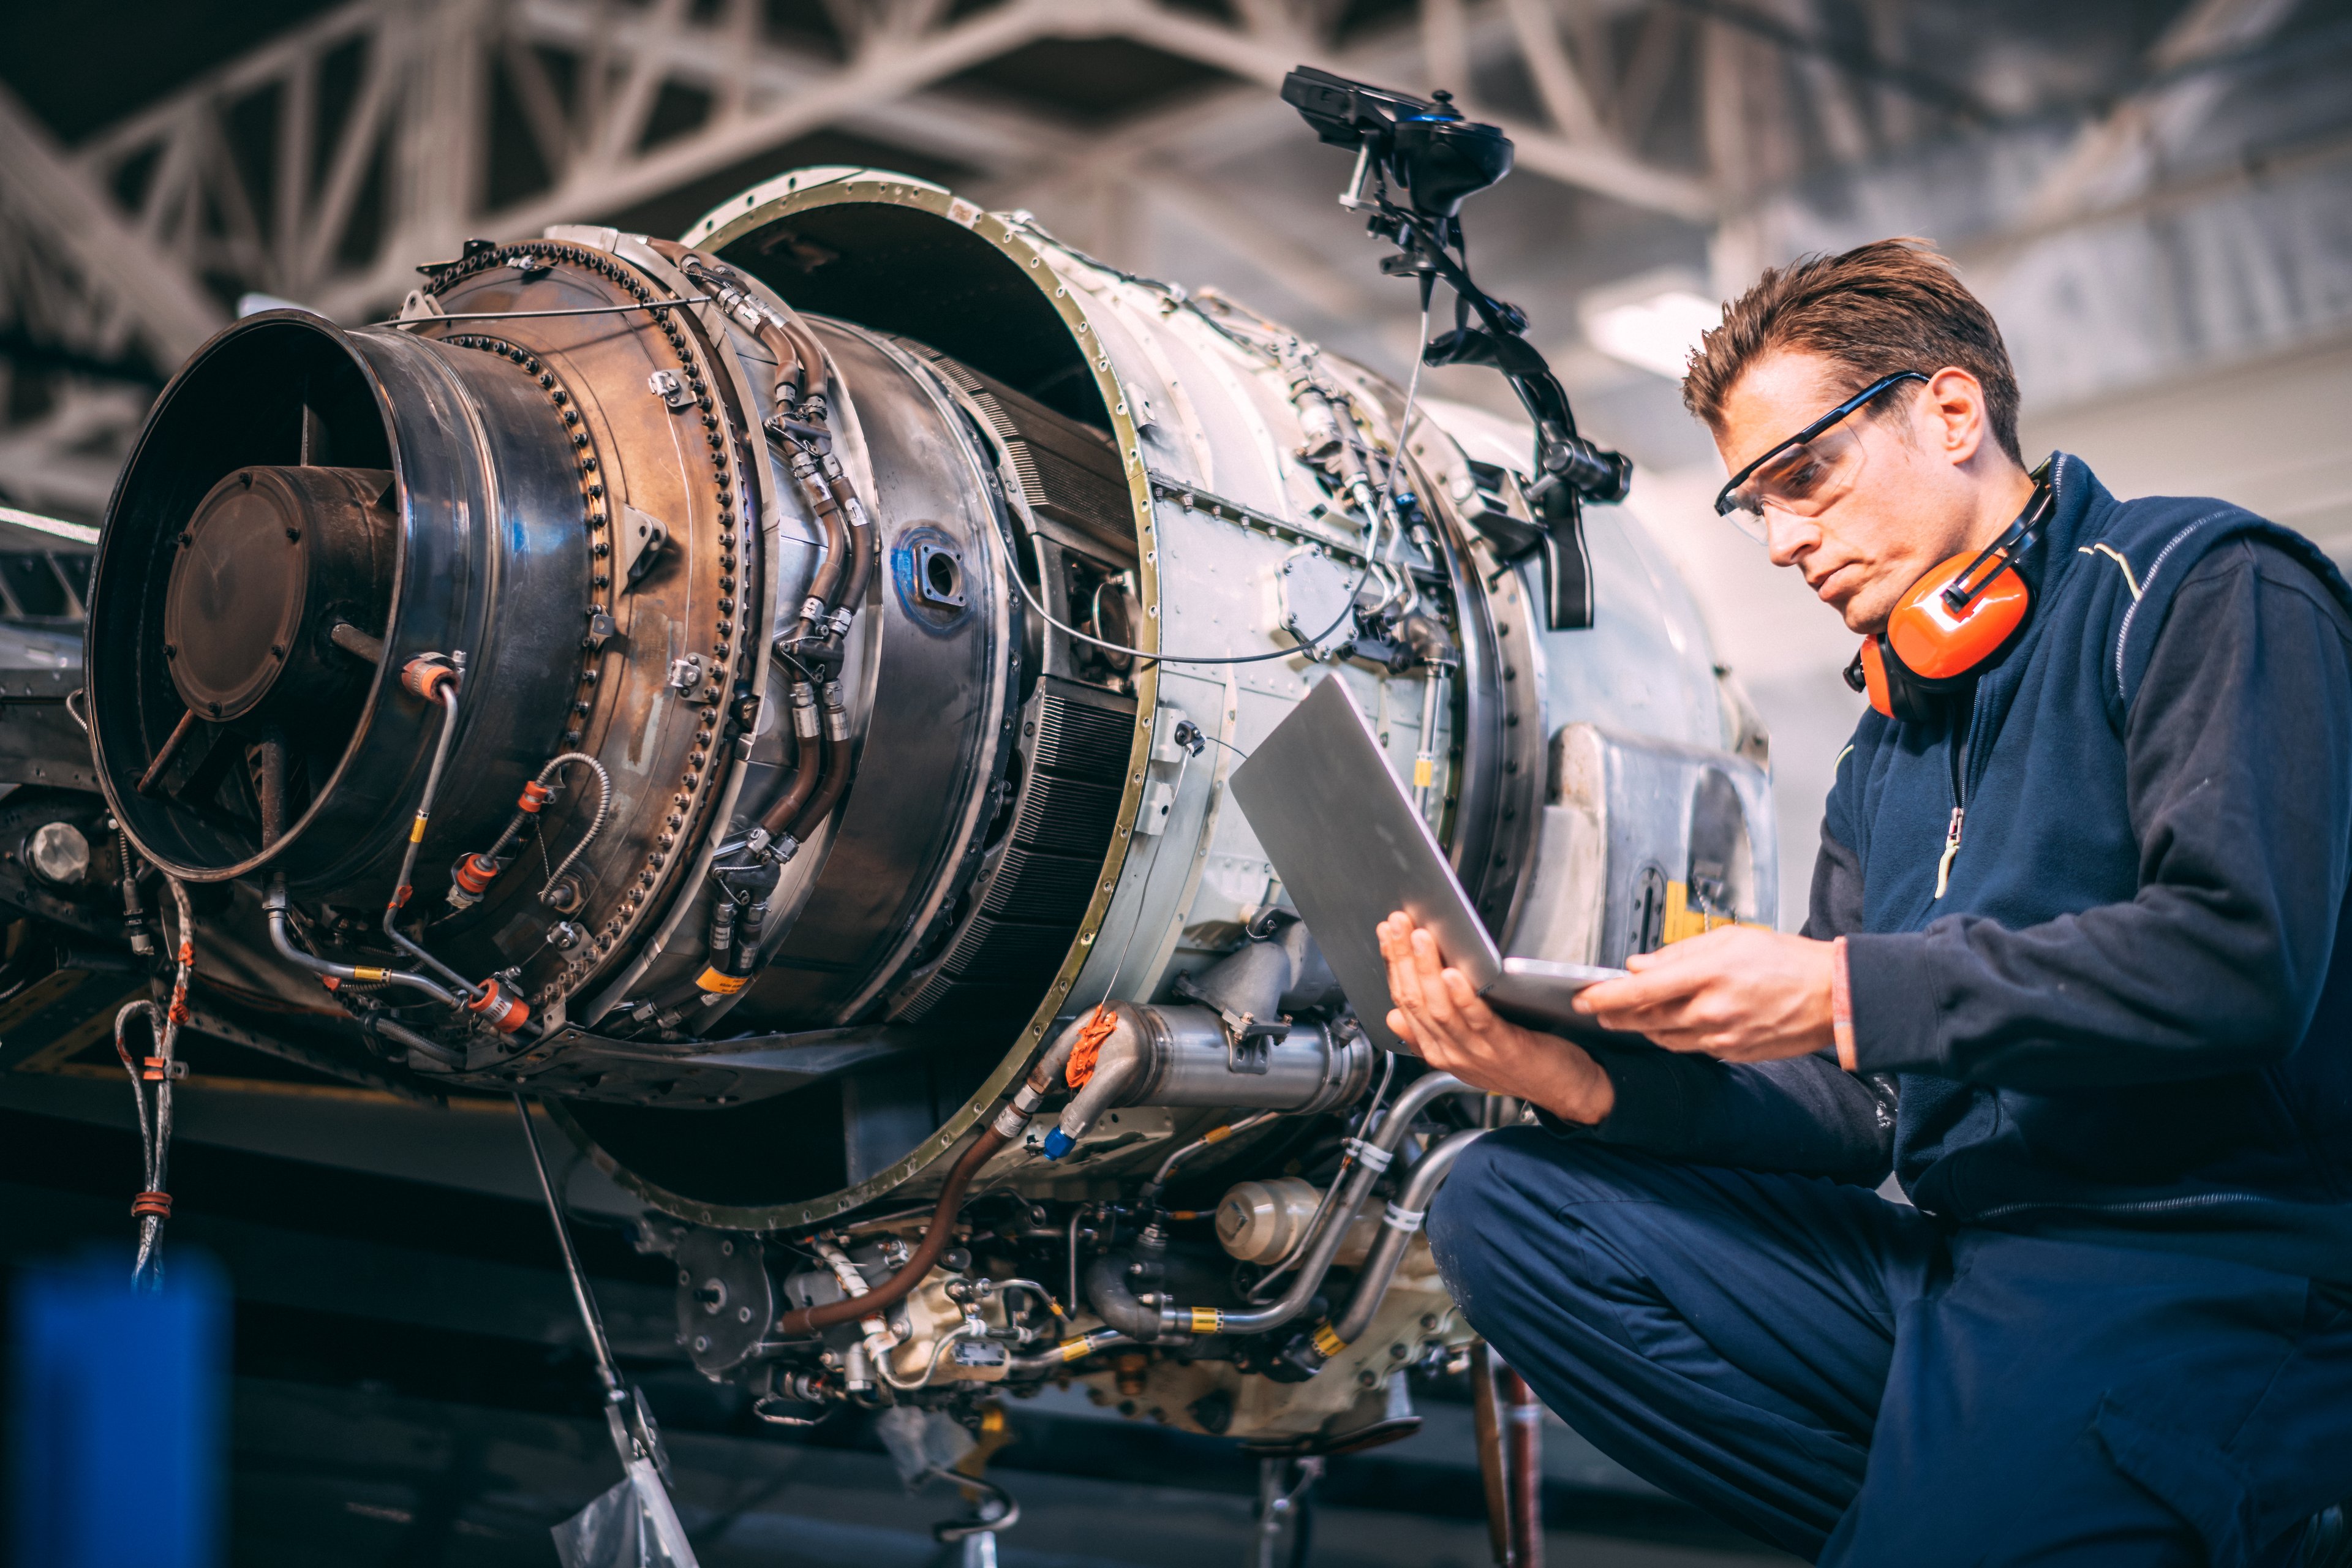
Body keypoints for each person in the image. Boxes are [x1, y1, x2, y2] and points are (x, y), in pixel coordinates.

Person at [1381, 239, 2352, 1566]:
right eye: (1755, 505)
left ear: (1952, 413)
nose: (1783, 541)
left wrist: (1839, 987)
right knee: (1504, 1204)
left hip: (2212, 1265)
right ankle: (1994, 1504)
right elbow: (1859, 1110)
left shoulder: (2204, 586)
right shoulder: (1886, 741)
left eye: (1805, 477)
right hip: (1966, 1264)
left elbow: (2239, 958)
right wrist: (1571, 1075)